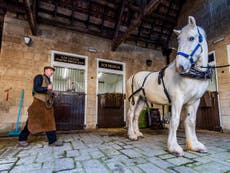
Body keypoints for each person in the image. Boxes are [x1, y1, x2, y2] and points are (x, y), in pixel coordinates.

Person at [18, 66, 63, 147]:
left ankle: (52, 141)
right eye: (50, 70)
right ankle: (22, 139)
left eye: (53, 71)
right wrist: (47, 88)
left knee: (50, 122)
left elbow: (47, 92)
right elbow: (36, 88)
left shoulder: (49, 81)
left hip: (47, 105)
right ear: (45, 70)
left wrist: (53, 93)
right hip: (38, 103)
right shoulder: (39, 77)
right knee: (32, 121)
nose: (52, 72)